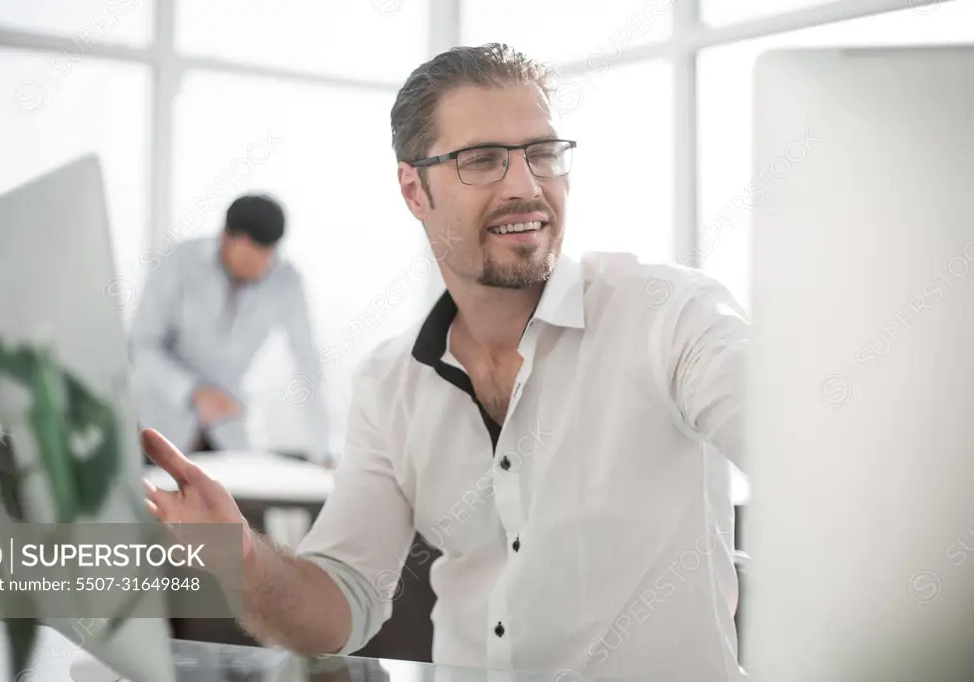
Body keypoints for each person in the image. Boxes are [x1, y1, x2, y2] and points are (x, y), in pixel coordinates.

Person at [141, 44, 749, 682]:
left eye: (541, 153)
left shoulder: (672, 317)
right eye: (482, 160)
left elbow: (802, 451)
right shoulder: (390, 385)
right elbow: (340, 601)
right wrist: (238, 558)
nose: (526, 186)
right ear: (414, 189)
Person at [130, 194, 331, 465]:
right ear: (225, 238)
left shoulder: (286, 281)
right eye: (249, 259)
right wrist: (193, 392)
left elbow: (307, 362)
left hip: (227, 433)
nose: (259, 270)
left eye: (267, 258)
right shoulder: (179, 262)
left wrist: (322, 452)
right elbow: (141, 346)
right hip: (157, 424)